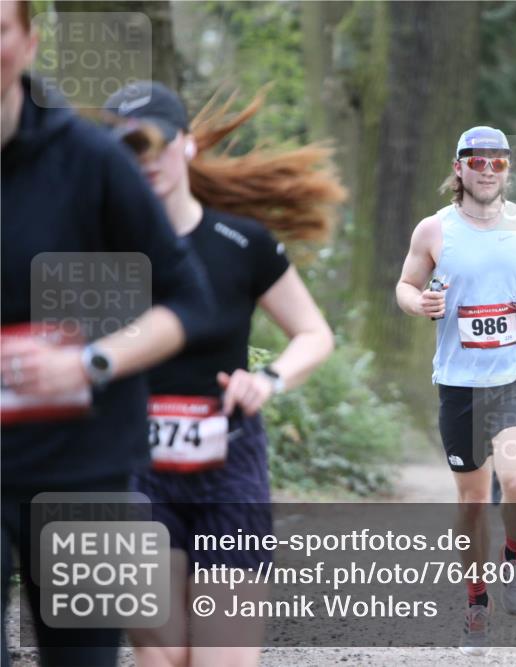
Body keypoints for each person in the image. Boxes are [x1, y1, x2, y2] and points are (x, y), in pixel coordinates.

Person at [0, 3, 217, 666]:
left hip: (82, 467)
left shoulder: (91, 161)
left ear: (29, 42)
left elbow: (186, 301)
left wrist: (90, 361)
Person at [103, 80, 344, 667]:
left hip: (228, 470)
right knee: (164, 659)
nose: (147, 160)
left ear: (186, 145)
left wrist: (268, 380)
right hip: (133, 473)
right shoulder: (97, 251)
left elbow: (314, 334)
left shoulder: (241, 242)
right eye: (128, 149)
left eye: (156, 143)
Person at [396, 126, 516, 655]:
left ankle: (514, 559)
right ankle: (475, 599)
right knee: (471, 503)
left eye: (498, 163)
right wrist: (416, 302)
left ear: (507, 169)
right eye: (478, 161)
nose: (488, 170)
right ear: (459, 167)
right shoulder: (434, 230)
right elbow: (405, 285)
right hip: (459, 384)